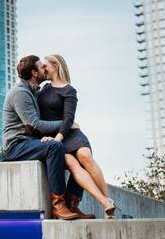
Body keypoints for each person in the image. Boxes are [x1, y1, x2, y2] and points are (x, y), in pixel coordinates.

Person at [37, 54, 116, 219]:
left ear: (56, 66)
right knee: (73, 163)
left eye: (45, 66)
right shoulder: (43, 89)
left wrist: (57, 138)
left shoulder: (69, 90)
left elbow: (68, 119)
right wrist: (51, 138)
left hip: (70, 135)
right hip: (53, 137)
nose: (42, 69)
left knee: (85, 155)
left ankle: (109, 202)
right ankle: (102, 202)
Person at [2, 54, 81, 220]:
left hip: (30, 142)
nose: (44, 69)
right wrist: (66, 124)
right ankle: (58, 205)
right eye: (41, 67)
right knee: (55, 146)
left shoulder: (34, 92)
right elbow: (35, 124)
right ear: (34, 73)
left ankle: (72, 202)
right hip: (16, 146)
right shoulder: (20, 93)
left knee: (74, 151)